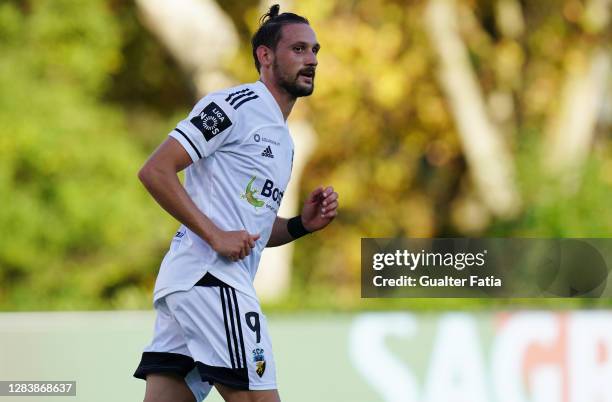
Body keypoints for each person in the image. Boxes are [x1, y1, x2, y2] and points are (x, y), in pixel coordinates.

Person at [133, 5, 338, 402]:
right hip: (212, 280)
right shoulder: (234, 105)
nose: (311, 60)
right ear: (265, 56)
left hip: (192, 283)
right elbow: (156, 171)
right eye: (298, 49)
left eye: (314, 50)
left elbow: (252, 231)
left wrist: (300, 225)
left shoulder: (284, 140)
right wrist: (214, 236)